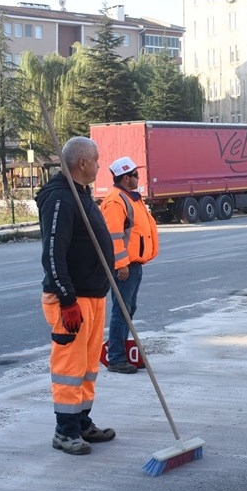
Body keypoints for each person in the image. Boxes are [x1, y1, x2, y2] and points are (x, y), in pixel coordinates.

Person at [36, 136, 116, 456]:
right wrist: (67, 300)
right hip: (73, 300)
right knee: (69, 368)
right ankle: (65, 431)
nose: (99, 165)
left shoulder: (81, 194)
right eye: (96, 160)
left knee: (87, 366)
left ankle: (81, 422)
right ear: (82, 163)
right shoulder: (60, 198)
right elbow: (53, 254)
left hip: (92, 295)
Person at [99, 156, 160, 374]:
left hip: (133, 266)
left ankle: (121, 353)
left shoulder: (129, 198)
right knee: (122, 312)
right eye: (135, 175)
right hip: (125, 268)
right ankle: (116, 358)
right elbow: (113, 237)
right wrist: (121, 264)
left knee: (127, 310)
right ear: (125, 178)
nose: (138, 178)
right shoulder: (116, 201)